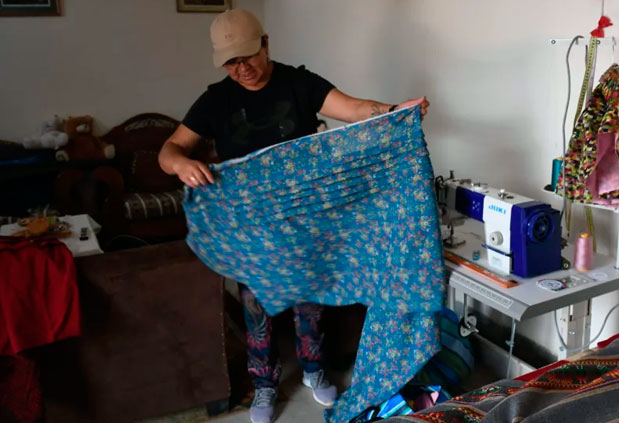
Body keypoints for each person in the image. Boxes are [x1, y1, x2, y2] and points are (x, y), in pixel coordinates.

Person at [158, 9, 429, 423]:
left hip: (304, 220)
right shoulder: (216, 99)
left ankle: (313, 369)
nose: (242, 68)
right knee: (257, 308)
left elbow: (355, 109)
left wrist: (395, 110)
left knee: (309, 301)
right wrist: (181, 164)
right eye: (231, 62)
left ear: (266, 44)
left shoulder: (299, 84)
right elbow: (169, 150)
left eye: (248, 56)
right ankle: (265, 384)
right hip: (251, 228)